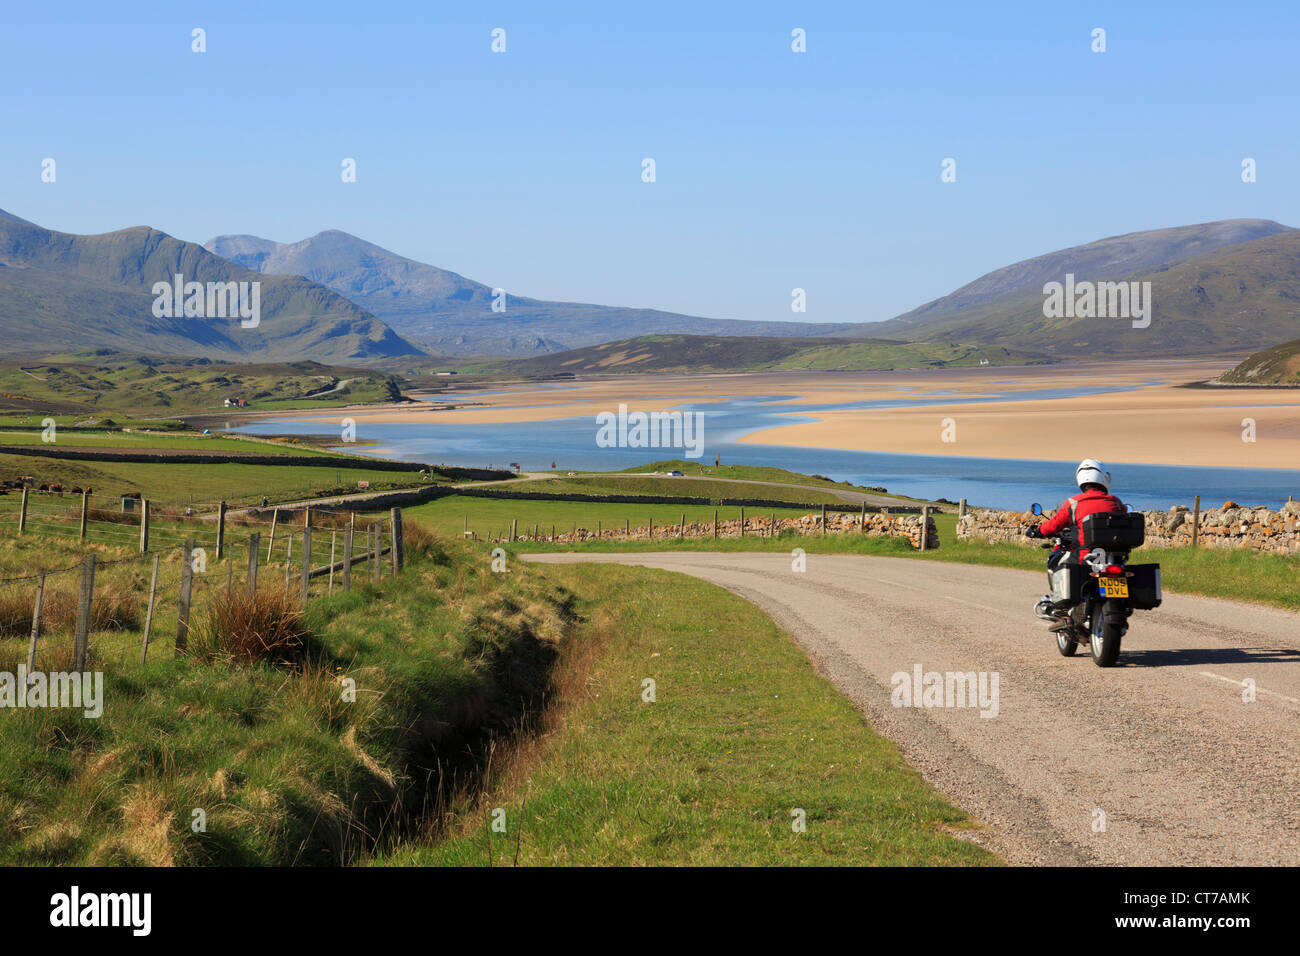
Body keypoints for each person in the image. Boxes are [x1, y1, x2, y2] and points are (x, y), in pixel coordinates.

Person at [1027, 459, 1127, 619]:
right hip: (1112, 556)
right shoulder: (1115, 502)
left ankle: (1059, 604)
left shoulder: (1073, 503)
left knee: (1059, 563)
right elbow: (1125, 520)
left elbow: (1054, 525)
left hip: (1085, 556)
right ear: (1104, 478)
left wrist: (1038, 530)